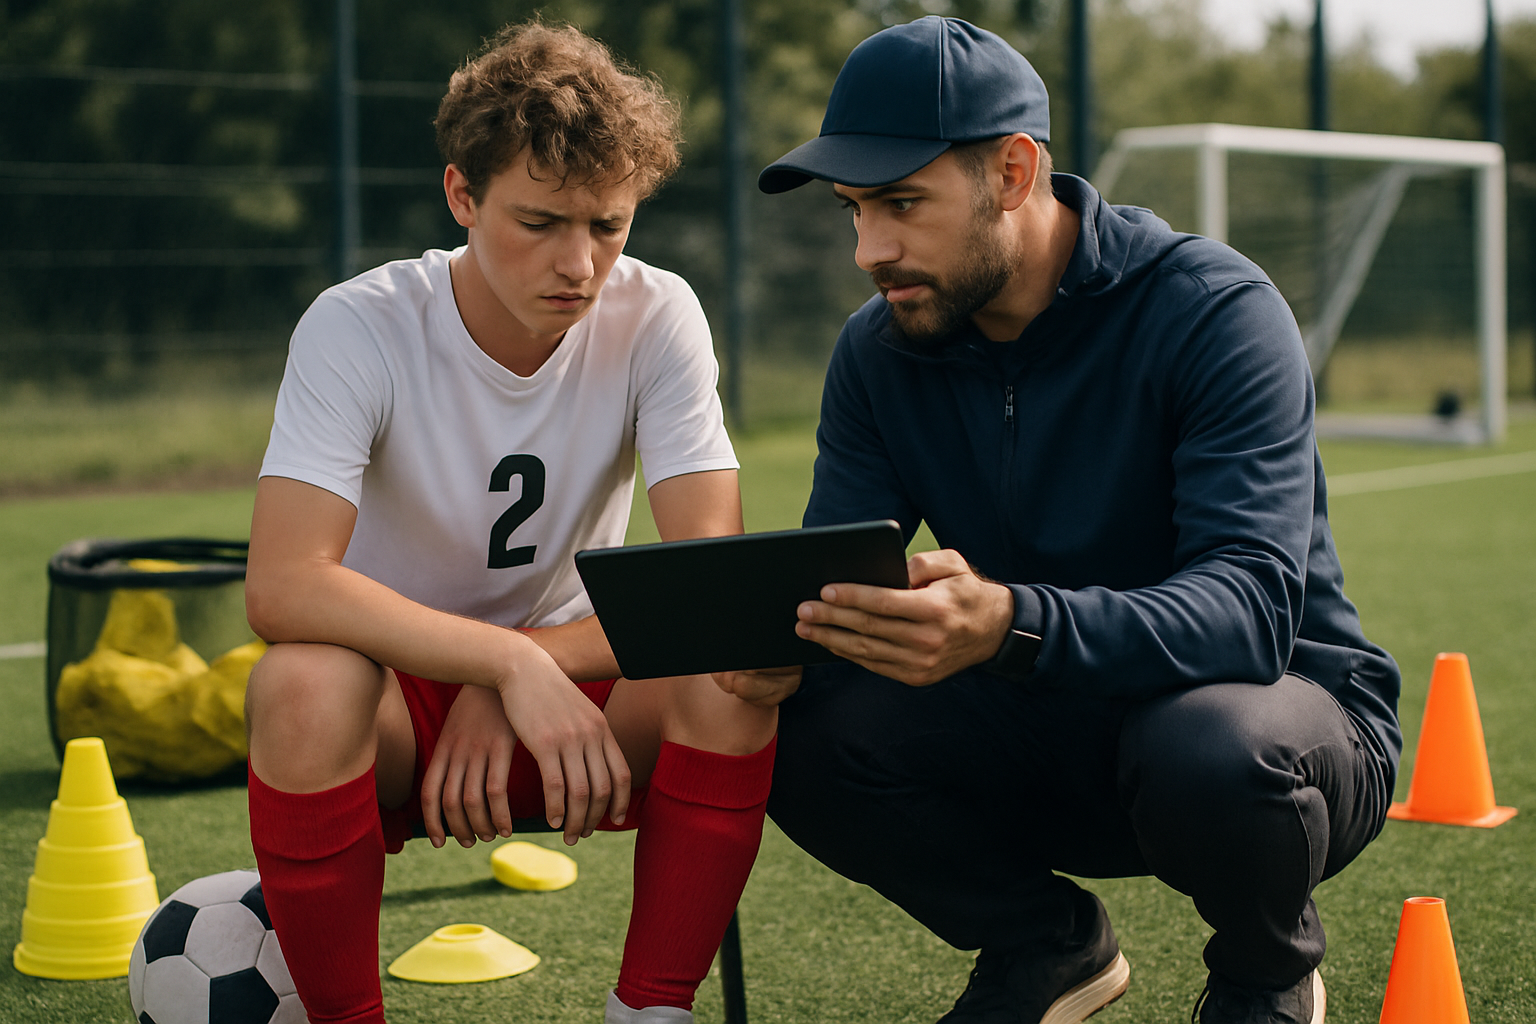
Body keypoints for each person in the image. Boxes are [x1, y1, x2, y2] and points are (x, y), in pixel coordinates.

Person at [724, 16, 1400, 1024]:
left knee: (1211, 742)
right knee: (800, 726)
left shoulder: (1214, 308)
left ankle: (1267, 973)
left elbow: (1250, 613)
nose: (871, 249)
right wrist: (786, 646)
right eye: (853, 210)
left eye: (903, 204)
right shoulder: (879, 350)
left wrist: (1008, 621)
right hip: (1045, 728)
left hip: (1272, 734)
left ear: (1013, 170)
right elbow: (845, 578)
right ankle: (1046, 947)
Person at [243, 21, 776, 1024]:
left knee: (732, 669)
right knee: (300, 681)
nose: (580, 263)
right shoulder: (360, 324)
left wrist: (531, 665)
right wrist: (504, 664)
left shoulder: (657, 314)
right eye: (540, 222)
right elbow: (283, 584)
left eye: (609, 226)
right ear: (461, 196)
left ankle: (649, 1011)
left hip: (585, 697)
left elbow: (713, 589)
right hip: (400, 707)